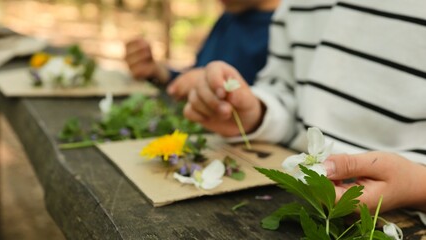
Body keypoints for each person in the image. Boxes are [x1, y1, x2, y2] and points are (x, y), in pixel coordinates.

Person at [183, 0, 426, 217]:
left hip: (406, 214)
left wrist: (418, 187)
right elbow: (287, 90)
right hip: (294, 187)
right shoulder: (295, 5)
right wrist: (257, 114)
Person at [125, 0, 281, 99]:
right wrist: (159, 72)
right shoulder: (229, 18)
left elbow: (277, 107)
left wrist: (214, 87)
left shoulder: (284, 31)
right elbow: (198, 72)